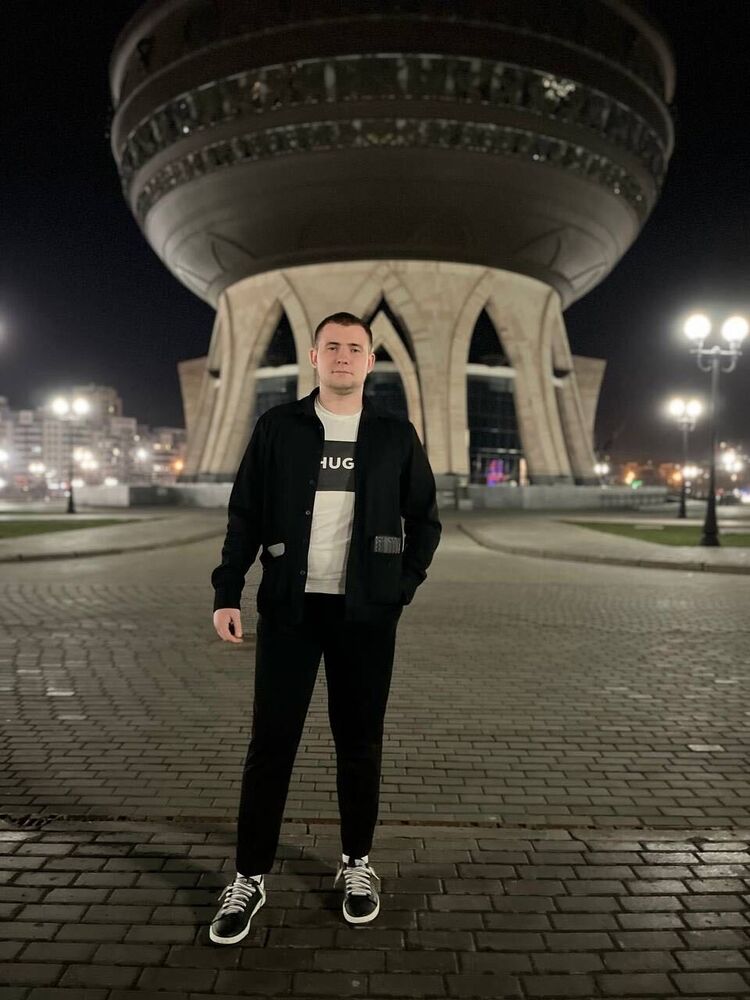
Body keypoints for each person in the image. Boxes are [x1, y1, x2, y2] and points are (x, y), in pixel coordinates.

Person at [208, 311, 441, 945]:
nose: (343, 356)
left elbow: (426, 520)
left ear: (370, 362)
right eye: (331, 346)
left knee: (359, 743)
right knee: (271, 744)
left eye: (354, 348)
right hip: (291, 611)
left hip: (365, 616)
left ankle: (357, 863)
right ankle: (249, 876)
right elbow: (244, 514)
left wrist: (399, 589)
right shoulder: (278, 428)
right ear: (313, 357)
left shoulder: (395, 434)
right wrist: (227, 591)